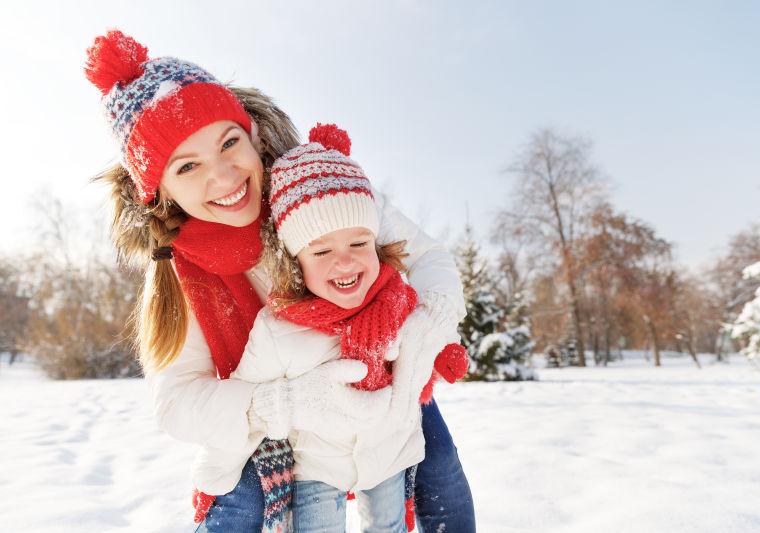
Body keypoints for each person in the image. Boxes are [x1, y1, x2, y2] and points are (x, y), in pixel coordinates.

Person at [85, 29, 476, 532]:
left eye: (230, 143)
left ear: (254, 134)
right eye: (188, 166)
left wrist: (425, 327)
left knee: (437, 462)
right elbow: (178, 401)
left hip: (372, 372)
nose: (224, 177)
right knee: (237, 502)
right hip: (270, 416)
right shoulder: (180, 274)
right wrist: (282, 404)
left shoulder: (320, 191)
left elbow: (427, 258)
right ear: (158, 192)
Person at [194, 123, 469, 532]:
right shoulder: (278, 329)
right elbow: (247, 391)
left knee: (400, 515)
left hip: (388, 458)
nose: (344, 261)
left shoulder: (396, 304)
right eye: (322, 251)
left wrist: (433, 331)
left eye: (359, 245)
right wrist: (216, 472)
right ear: (295, 261)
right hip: (318, 467)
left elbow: (429, 281)